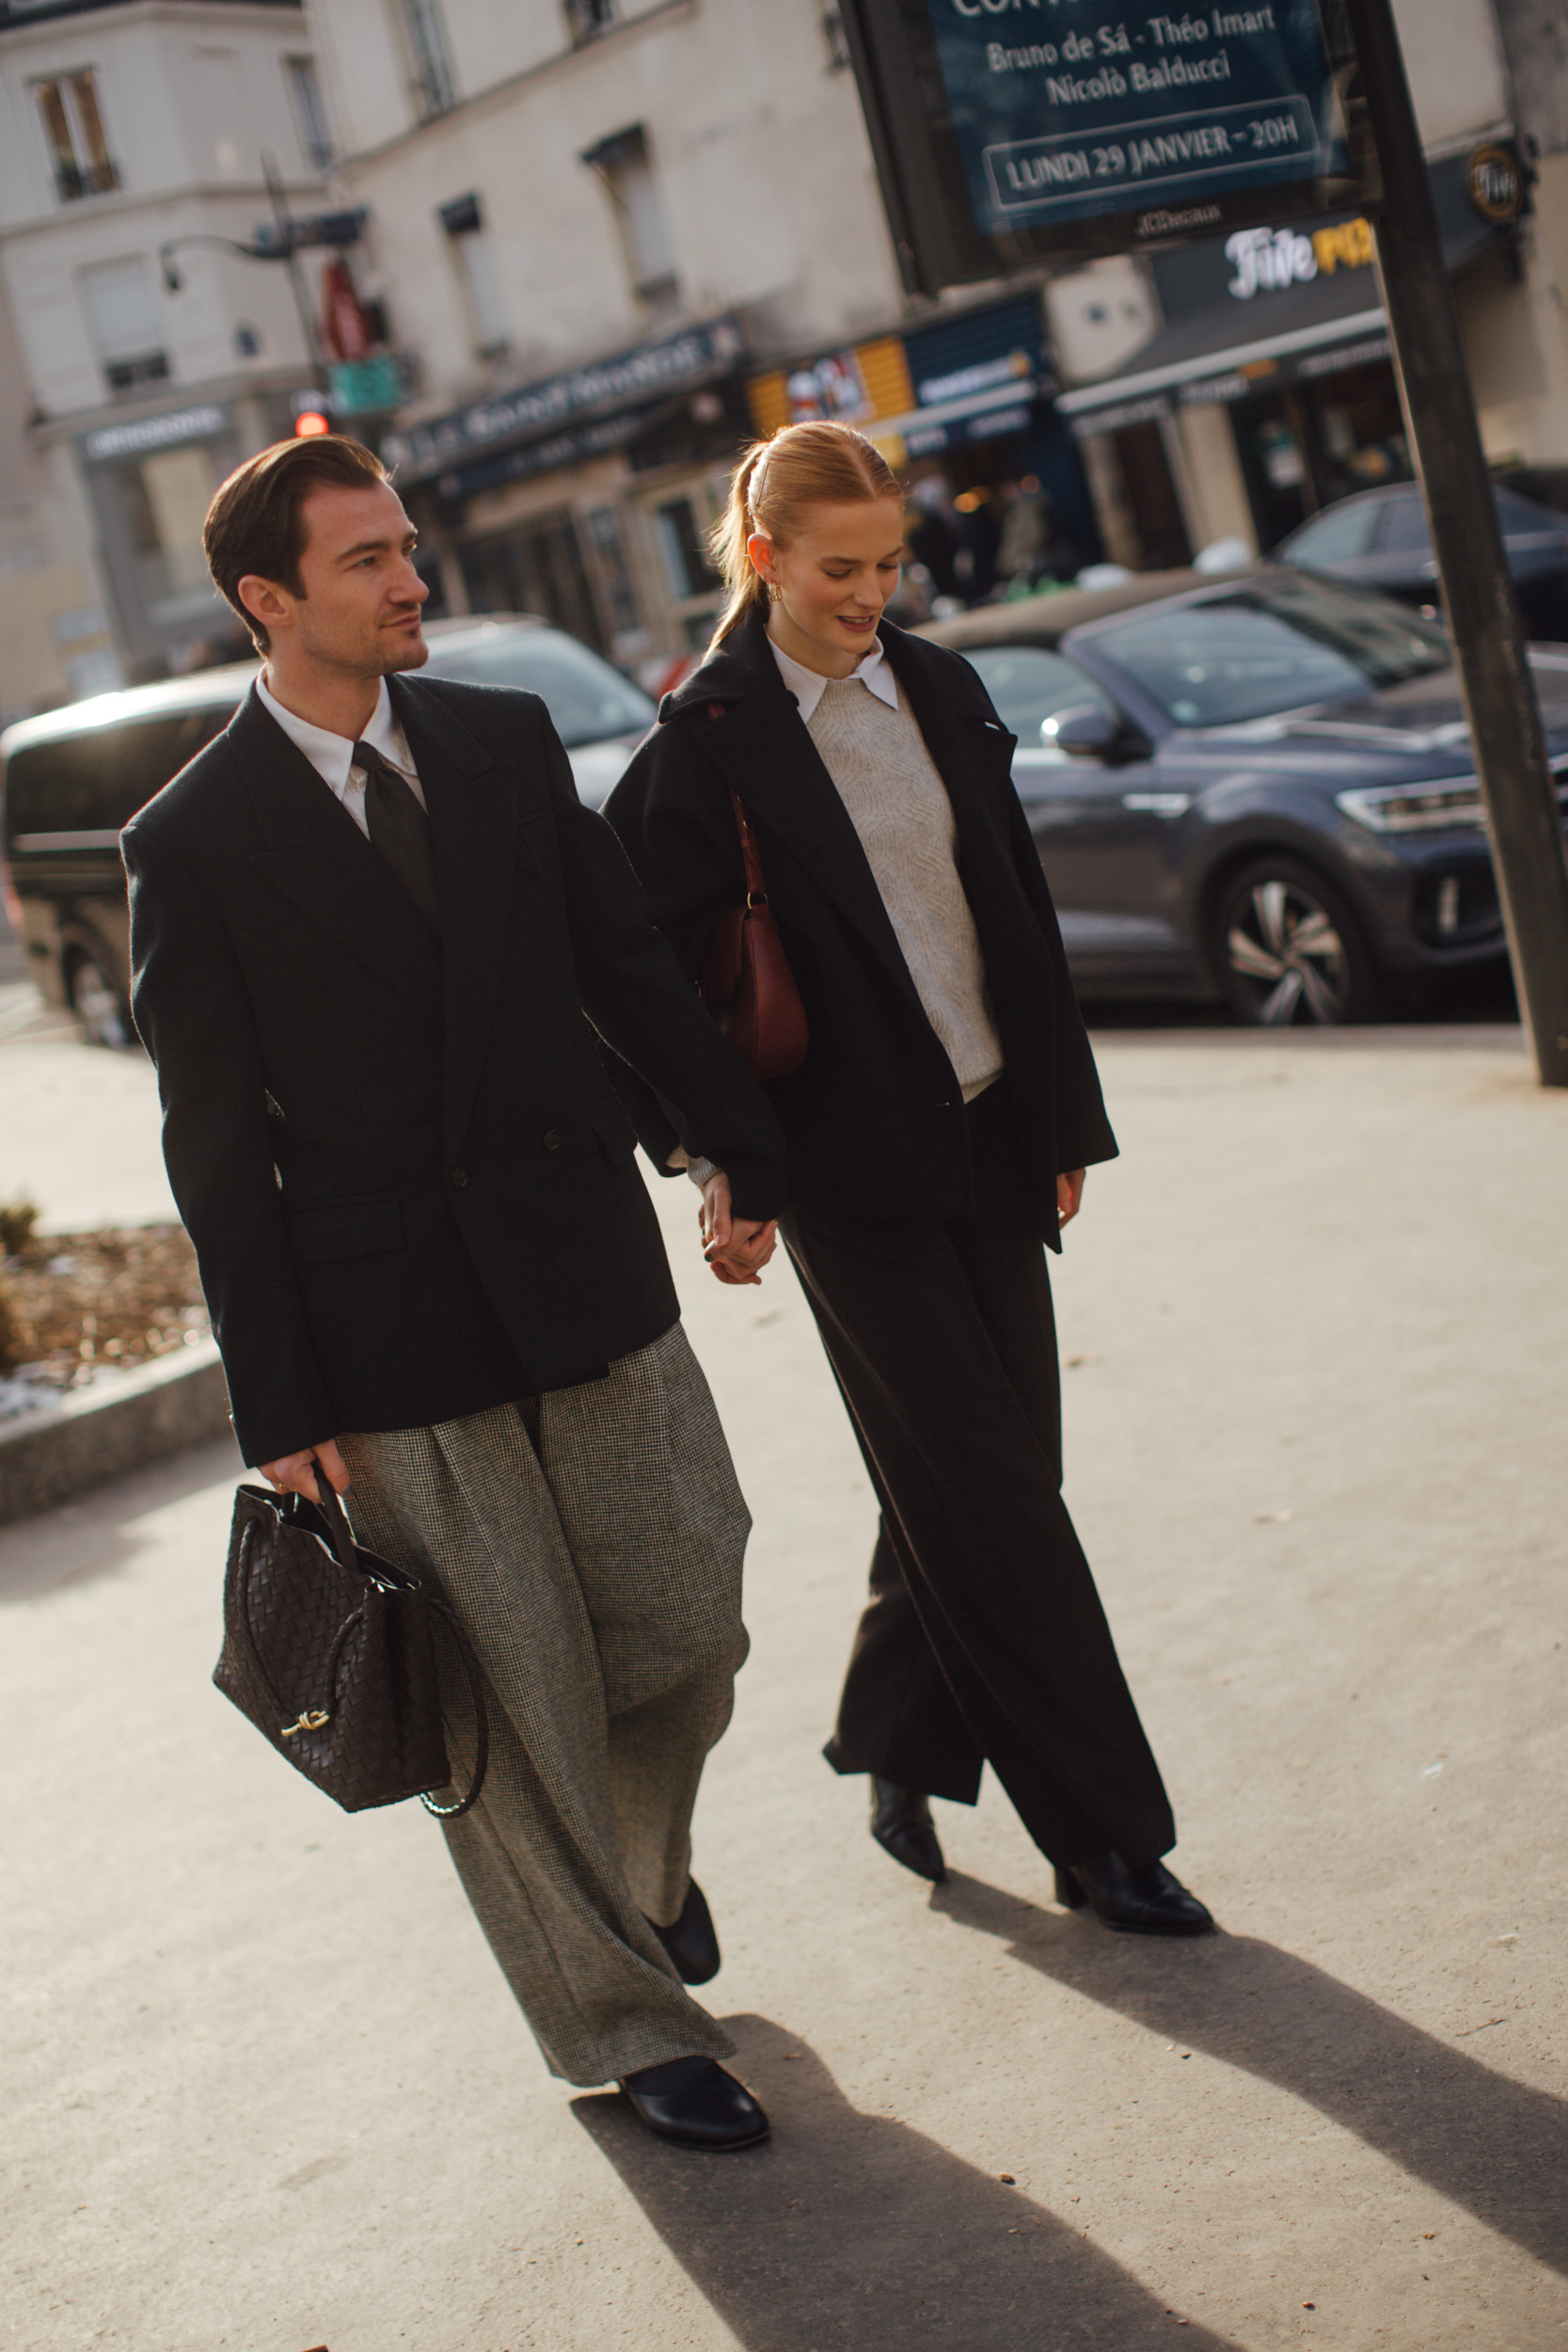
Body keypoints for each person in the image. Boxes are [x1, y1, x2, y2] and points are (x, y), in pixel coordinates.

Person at [121, 434, 789, 2150]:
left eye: (407, 546)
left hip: (586, 1275)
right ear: (269, 602)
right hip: (391, 1337)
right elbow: (215, 1152)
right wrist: (279, 1406)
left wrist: (731, 1150)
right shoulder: (192, 841)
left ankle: (639, 1870)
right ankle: (634, 2027)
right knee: (511, 1707)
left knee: (686, 1626)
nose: (411, 578)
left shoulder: (498, 744)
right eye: (367, 561)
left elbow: (623, 968)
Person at [607, 420, 1212, 1937]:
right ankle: (1103, 1837)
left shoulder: (941, 686)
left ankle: (896, 1735)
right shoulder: (705, 744)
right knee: (998, 1497)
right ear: (762, 560)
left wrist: (1064, 1118)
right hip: (849, 1181)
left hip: (999, 1135)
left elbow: (1010, 913)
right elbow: (632, 985)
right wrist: (717, 1163)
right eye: (840, 568)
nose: (874, 591)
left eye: (889, 562)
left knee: (986, 1478)